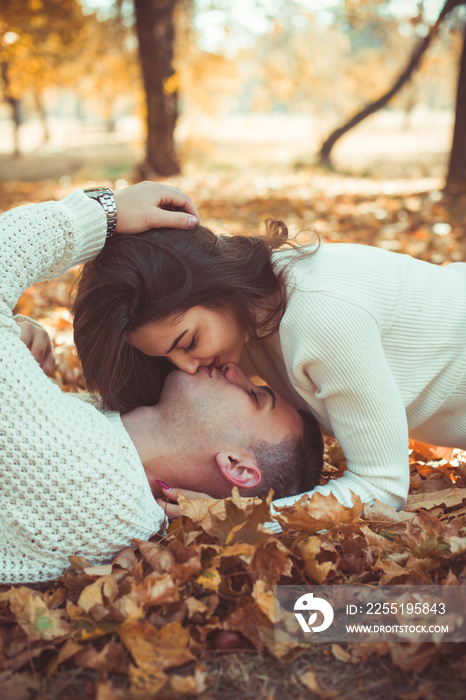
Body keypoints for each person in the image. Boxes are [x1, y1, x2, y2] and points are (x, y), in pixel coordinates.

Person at [0, 183, 323, 584]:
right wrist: (15, 334)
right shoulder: (117, 479)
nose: (236, 371)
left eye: (256, 397)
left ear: (237, 467)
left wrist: (104, 212)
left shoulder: (87, 470)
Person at [73, 216, 466, 519]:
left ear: (218, 284)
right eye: (167, 357)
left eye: (189, 343)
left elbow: (382, 485)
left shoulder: (320, 315)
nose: (186, 369)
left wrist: (234, 515)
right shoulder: (239, 321)